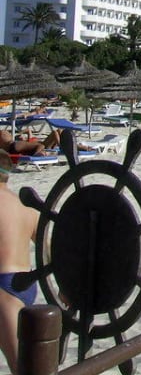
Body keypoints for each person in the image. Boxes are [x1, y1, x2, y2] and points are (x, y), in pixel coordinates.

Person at [0, 151, 39, 375]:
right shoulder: (25, 206)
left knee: (20, 367)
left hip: (2, 293)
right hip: (25, 285)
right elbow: (49, 250)